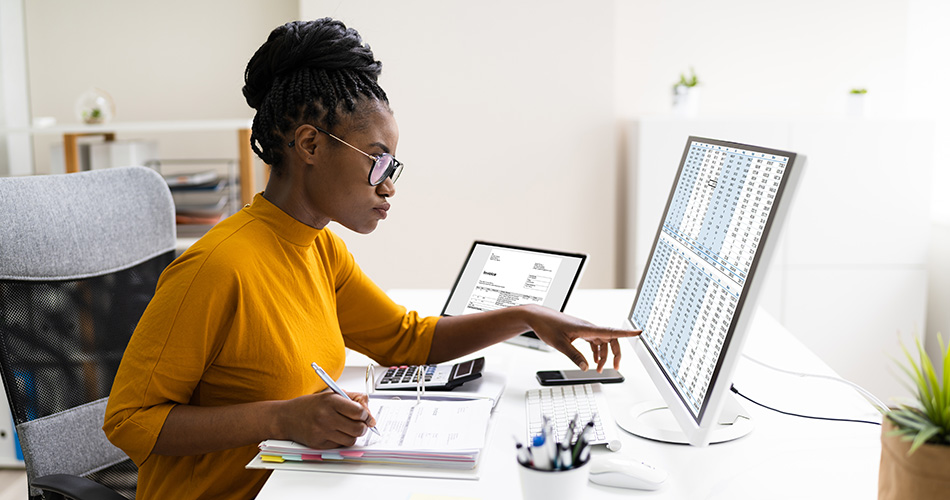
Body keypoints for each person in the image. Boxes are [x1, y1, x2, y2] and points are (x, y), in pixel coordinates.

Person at [103, 18, 639, 499]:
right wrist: (282, 418)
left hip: (299, 483)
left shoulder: (321, 249)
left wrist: (526, 316)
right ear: (310, 145)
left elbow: (407, 341)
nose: (389, 187)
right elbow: (129, 421)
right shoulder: (216, 268)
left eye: (393, 168)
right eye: (378, 162)